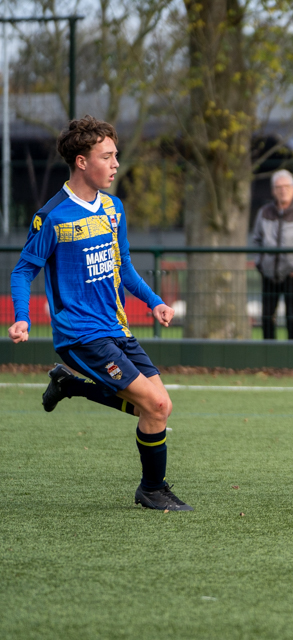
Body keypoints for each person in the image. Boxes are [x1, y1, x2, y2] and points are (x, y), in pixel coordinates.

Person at [7, 115, 191, 511]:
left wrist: (154, 301)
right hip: (80, 335)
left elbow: (123, 266)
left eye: (116, 155)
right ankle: (151, 490)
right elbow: (23, 270)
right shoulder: (52, 216)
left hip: (116, 328)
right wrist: (22, 316)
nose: (115, 164)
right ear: (81, 162)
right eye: (106, 156)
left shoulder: (114, 208)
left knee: (161, 405)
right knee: (155, 406)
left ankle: (71, 386)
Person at [250, 170, 293, 340]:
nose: (283, 190)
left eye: (286, 186)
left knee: (292, 317)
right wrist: (260, 264)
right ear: (273, 190)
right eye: (278, 187)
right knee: (267, 317)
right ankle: (268, 355)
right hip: (268, 274)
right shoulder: (264, 212)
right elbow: (256, 240)